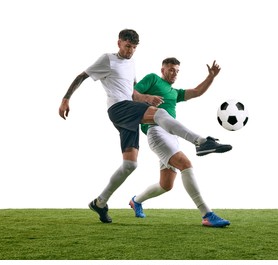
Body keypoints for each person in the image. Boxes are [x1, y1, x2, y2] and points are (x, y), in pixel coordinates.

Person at [58, 29, 232, 224]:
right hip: (119, 108)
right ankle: (201, 142)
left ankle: (100, 202)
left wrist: (143, 98)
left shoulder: (133, 65)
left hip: (132, 115)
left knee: (131, 165)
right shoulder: (107, 59)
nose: (130, 51)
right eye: (127, 46)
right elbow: (82, 75)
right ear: (118, 43)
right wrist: (66, 99)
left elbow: (133, 91)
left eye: (133, 48)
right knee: (160, 114)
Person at [129, 58, 230, 227]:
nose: (173, 73)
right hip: (155, 131)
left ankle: (136, 201)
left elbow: (197, 91)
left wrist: (211, 77)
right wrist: (147, 97)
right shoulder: (153, 79)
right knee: (186, 164)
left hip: (172, 136)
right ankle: (207, 214)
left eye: (176, 71)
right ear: (162, 69)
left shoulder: (175, 93)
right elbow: (132, 93)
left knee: (166, 185)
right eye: (170, 70)